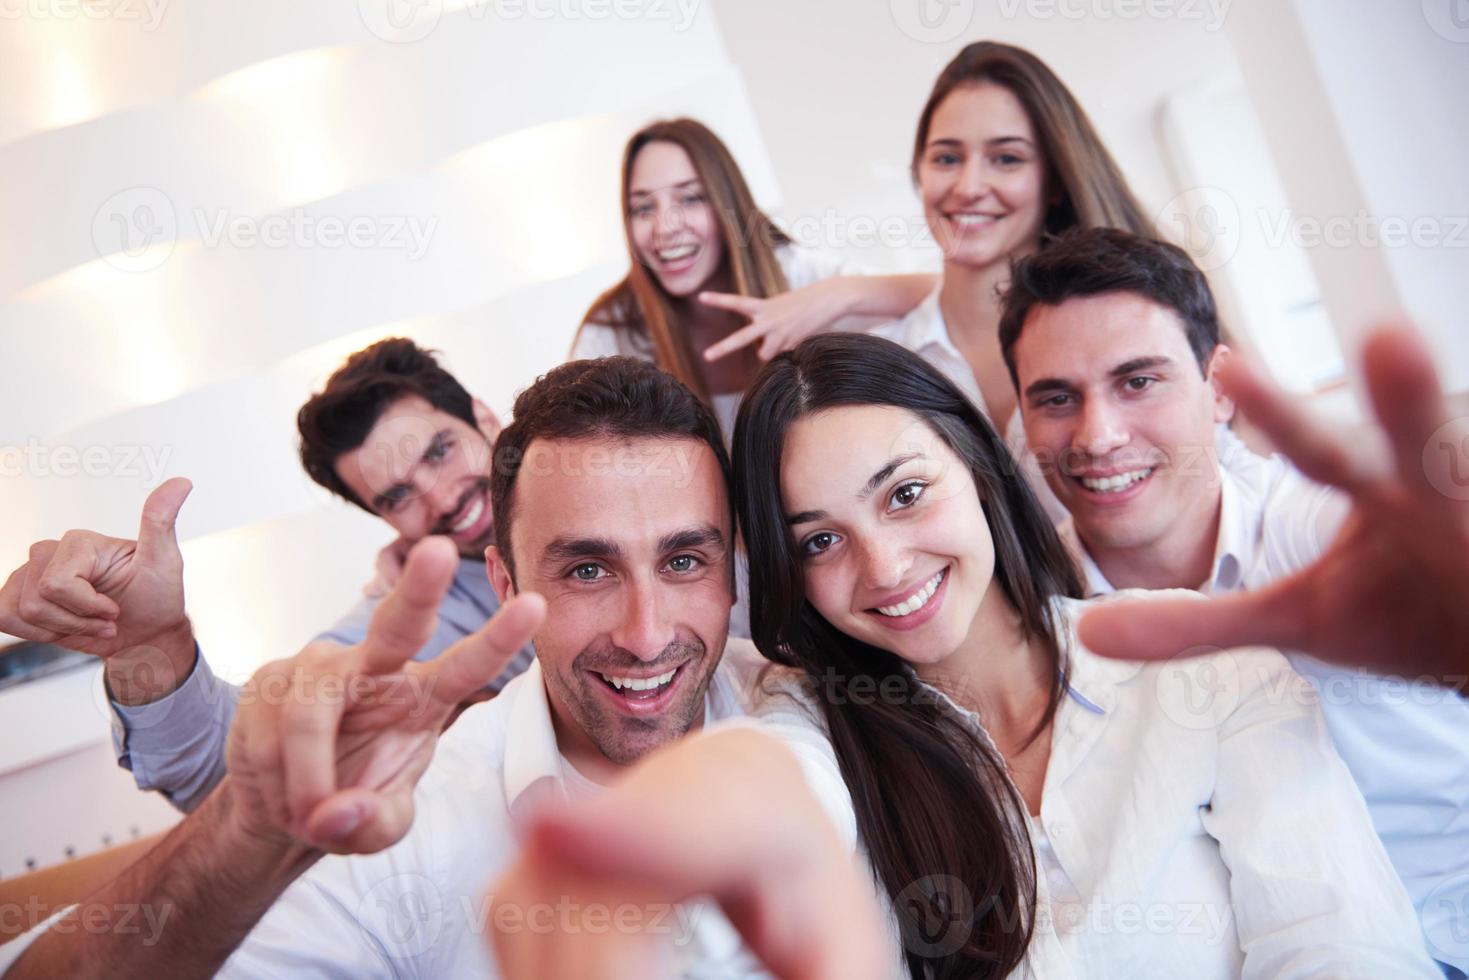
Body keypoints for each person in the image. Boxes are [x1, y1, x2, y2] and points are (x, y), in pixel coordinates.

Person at [0, 356, 884, 979]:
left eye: (686, 561)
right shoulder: (400, 741)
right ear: (502, 574)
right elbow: (238, 767)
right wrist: (159, 660)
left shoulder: (832, 706)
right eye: (584, 569)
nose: (646, 634)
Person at [724, 334, 1435, 975]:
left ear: (975, 466)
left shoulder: (1194, 657)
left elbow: (1342, 941)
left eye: (905, 494)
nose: (882, 567)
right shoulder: (816, 727)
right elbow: (752, 798)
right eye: (819, 541)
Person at [998, 226, 1469, 975]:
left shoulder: (1317, 527)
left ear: (1217, 388)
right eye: (1056, 398)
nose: (1098, 434)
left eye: (1137, 381)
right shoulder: (1030, 613)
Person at [0, 339, 534, 812]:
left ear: (485, 419)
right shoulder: (390, 631)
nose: (441, 497)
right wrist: (150, 644)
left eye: (440, 451)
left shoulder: (605, 461)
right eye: (396, 496)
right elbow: (224, 772)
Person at [571, 117, 936, 435]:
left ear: (728, 203)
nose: (665, 227)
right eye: (643, 207)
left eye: (691, 198)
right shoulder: (613, 329)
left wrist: (838, 294)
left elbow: (948, 296)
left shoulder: (794, 273)